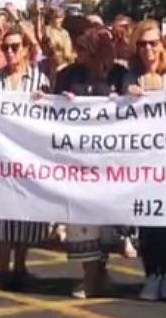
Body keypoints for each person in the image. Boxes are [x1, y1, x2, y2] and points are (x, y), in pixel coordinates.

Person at [53, 25, 131, 299]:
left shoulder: (119, 75)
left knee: (104, 221)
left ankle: (100, 273)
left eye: (84, 49)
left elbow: (132, 102)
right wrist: (56, 100)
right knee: (83, 219)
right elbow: (53, 103)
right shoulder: (67, 75)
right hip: (77, 159)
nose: (78, 53)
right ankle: (89, 277)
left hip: (110, 161)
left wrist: (131, 95)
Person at [0, 19, 49, 290]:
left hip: (28, 157)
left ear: (27, 49)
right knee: (2, 213)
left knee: (25, 215)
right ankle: (3, 267)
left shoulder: (40, 80)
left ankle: (20, 265)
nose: (10, 52)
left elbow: (53, 116)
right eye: (6, 48)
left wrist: (46, 101)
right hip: (1, 156)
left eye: (15, 47)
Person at [127, 20, 166, 301]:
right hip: (139, 161)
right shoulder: (129, 77)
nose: (148, 48)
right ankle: (151, 276)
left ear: (162, 46)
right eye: (142, 44)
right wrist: (126, 97)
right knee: (148, 223)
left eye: (153, 42)